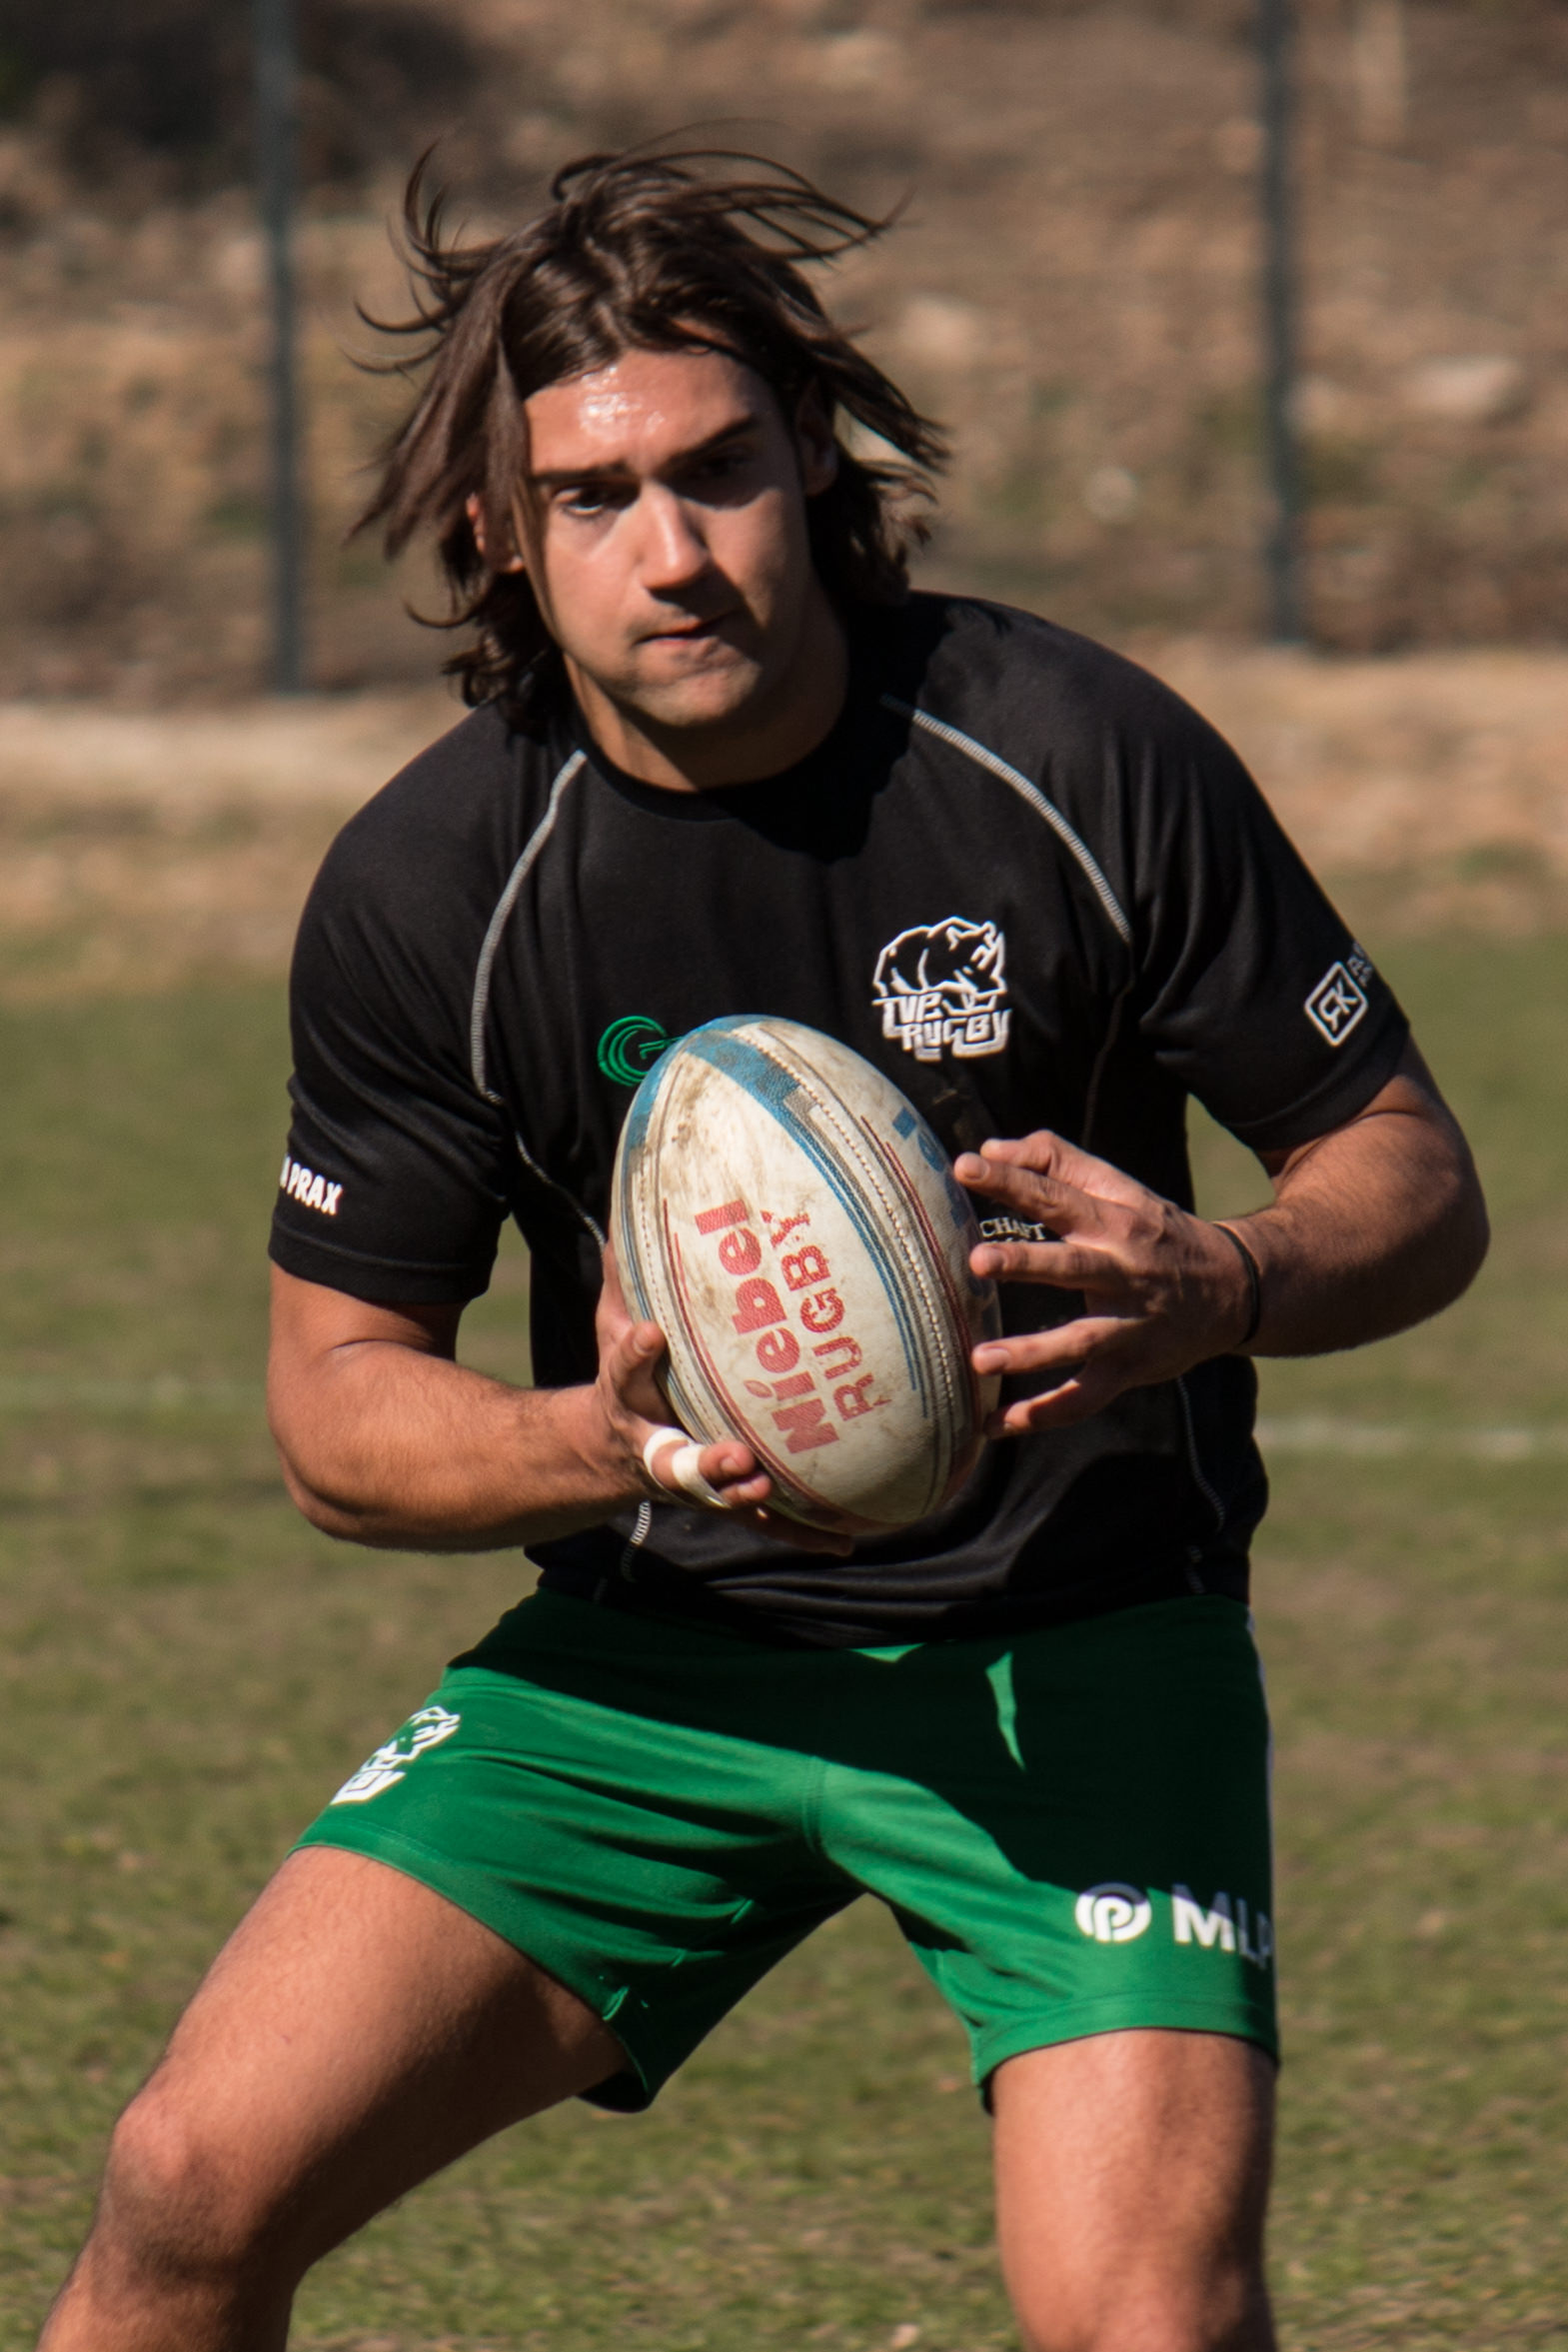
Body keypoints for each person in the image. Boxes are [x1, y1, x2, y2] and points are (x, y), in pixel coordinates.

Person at [41, 149, 1487, 2352]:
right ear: (497, 535)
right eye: (593, 497)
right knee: (183, 2187)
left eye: (716, 470)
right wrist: (602, 1439)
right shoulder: (438, 886)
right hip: (656, 1658)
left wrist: (1222, 1280)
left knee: (1148, 2316)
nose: (673, 551)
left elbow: (1405, 1167)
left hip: (1079, 1638)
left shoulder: (1071, 757)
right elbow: (334, 1415)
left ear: (809, 454)